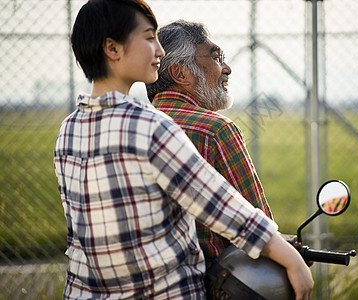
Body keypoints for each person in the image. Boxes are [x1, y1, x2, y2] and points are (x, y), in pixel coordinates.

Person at [54, 1, 313, 299]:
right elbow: (221, 206)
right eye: (149, 38)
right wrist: (291, 258)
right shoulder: (151, 127)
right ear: (113, 49)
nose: (159, 51)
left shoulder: (69, 129)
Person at [146, 20, 273, 268]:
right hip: (211, 281)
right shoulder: (216, 130)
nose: (227, 68)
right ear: (180, 73)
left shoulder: (133, 126)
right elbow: (260, 228)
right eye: (217, 58)